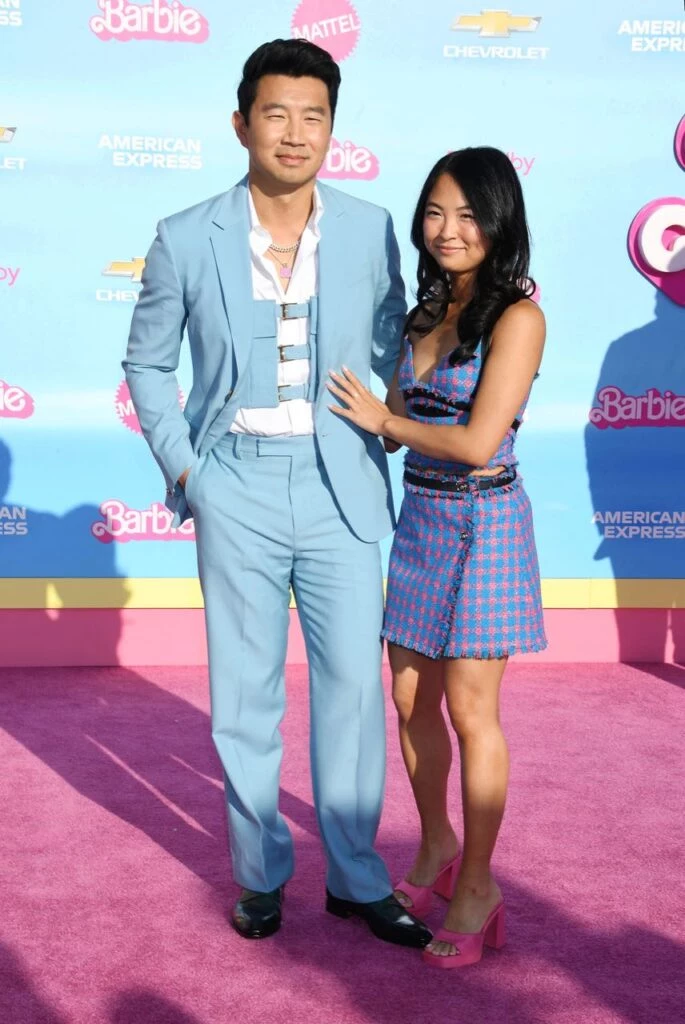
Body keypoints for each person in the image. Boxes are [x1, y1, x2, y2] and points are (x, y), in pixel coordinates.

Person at [123, 38, 431, 949]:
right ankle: (259, 877)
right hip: (237, 486)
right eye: (276, 113)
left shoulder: (372, 227)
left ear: (332, 127)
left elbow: (393, 341)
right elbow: (146, 362)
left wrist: (391, 413)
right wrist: (188, 472)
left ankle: (356, 879)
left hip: (341, 485)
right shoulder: (185, 234)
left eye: (314, 116)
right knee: (245, 699)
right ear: (240, 123)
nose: (295, 134)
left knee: (352, 694)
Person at [327, 146, 547, 968]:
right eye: (434, 213)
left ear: (499, 223)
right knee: (409, 694)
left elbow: (479, 439)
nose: (447, 231)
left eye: (466, 215)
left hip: (485, 526)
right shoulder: (421, 317)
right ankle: (434, 846)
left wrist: (385, 423)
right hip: (421, 519)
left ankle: (480, 882)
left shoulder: (517, 318)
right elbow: (393, 416)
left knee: (468, 707)